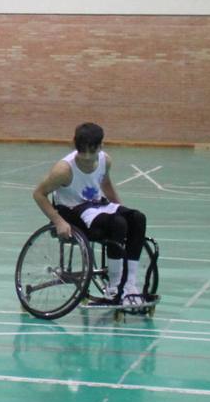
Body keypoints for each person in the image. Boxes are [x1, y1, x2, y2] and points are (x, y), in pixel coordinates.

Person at [30, 121, 149, 311]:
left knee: (137, 219)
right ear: (74, 145)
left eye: (91, 156)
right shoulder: (63, 170)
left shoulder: (105, 160)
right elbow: (38, 194)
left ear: (100, 147)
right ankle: (114, 287)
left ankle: (129, 286)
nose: (87, 159)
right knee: (118, 224)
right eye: (83, 156)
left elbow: (106, 184)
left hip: (97, 207)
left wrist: (120, 207)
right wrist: (58, 221)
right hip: (72, 212)